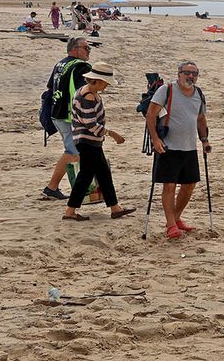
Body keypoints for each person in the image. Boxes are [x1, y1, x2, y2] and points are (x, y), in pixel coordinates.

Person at [145, 60, 211, 240]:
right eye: (186, 72)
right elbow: (151, 114)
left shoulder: (198, 94)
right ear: (179, 73)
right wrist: (155, 139)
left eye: (194, 73)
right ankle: (171, 225)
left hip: (189, 147)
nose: (190, 76)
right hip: (168, 146)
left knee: (189, 185)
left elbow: (200, 118)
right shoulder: (166, 90)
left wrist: (204, 140)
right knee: (169, 185)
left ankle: (176, 217)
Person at [63, 63, 134, 221]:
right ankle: (70, 211)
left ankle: (115, 208)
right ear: (96, 80)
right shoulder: (88, 96)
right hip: (87, 141)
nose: (106, 86)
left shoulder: (89, 92)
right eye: (105, 83)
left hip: (89, 141)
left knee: (103, 174)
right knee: (86, 176)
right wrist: (111, 134)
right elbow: (90, 124)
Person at [43, 37, 94, 200]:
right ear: (73, 50)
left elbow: (50, 87)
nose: (88, 51)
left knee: (74, 151)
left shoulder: (60, 64)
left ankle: (56, 187)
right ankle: (53, 187)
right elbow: (85, 92)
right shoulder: (81, 66)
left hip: (56, 114)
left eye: (89, 48)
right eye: (85, 48)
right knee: (73, 152)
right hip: (69, 115)